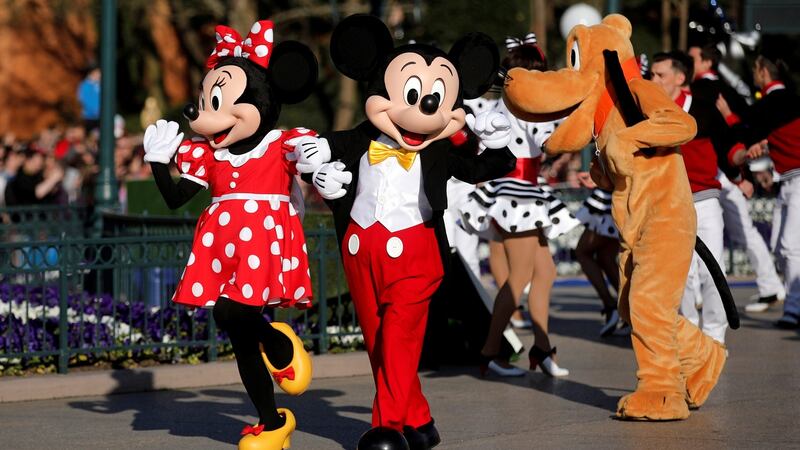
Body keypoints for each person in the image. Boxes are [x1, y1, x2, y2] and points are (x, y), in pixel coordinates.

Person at [143, 19, 319, 449]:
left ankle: (279, 345)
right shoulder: (209, 155)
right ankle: (272, 423)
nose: (204, 113)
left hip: (264, 243)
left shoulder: (279, 144)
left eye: (218, 101)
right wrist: (158, 162)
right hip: (221, 248)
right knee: (239, 339)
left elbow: (312, 164)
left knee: (228, 312)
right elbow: (175, 198)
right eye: (207, 101)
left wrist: (324, 168)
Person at [460, 33, 580, 377]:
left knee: (546, 272)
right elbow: (550, 141)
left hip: (524, 192)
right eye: (537, 75)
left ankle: (540, 348)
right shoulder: (518, 108)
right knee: (520, 276)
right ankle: (490, 351)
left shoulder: (518, 106)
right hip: (515, 196)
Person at [689, 43, 786, 312]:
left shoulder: (696, 93)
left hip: (712, 173)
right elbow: (743, 131)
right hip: (728, 172)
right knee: (744, 231)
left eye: (692, 58)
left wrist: (739, 174)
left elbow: (726, 137)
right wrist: (744, 174)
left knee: (692, 234)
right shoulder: (729, 90)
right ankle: (770, 286)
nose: (688, 62)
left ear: (707, 62)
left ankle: (696, 295)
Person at [651, 50, 734, 343]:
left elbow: (728, 147)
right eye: (651, 74)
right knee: (680, 274)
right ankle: (688, 337)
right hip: (670, 204)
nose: (653, 80)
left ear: (679, 78)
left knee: (712, 270)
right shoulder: (649, 114)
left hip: (705, 199)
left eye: (660, 75)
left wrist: (742, 168)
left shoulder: (703, 109)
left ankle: (714, 337)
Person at [716, 53, 800, 329]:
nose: (753, 74)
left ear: (764, 72)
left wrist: (727, 115)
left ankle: (794, 309)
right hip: (788, 181)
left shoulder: (777, 101)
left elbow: (746, 128)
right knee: (780, 245)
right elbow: (766, 134)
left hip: (797, 180)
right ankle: (793, 302)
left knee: (790, 246)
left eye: (755, 69)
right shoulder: (783, 101)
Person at [574, 173, 621, 337]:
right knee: (605, 257)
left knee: (583, 252)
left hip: (611, 193)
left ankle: (613, 306)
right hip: (615, 191)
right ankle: (628, 310)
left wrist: (601, 176)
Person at [77, 65, 101, 133]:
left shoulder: (99, 85)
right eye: (97, 73)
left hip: (100, 116)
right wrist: (95, 111)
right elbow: (84, 100)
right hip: (89, 117)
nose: (99, 75)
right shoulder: (85, 85)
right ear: (91, 73)